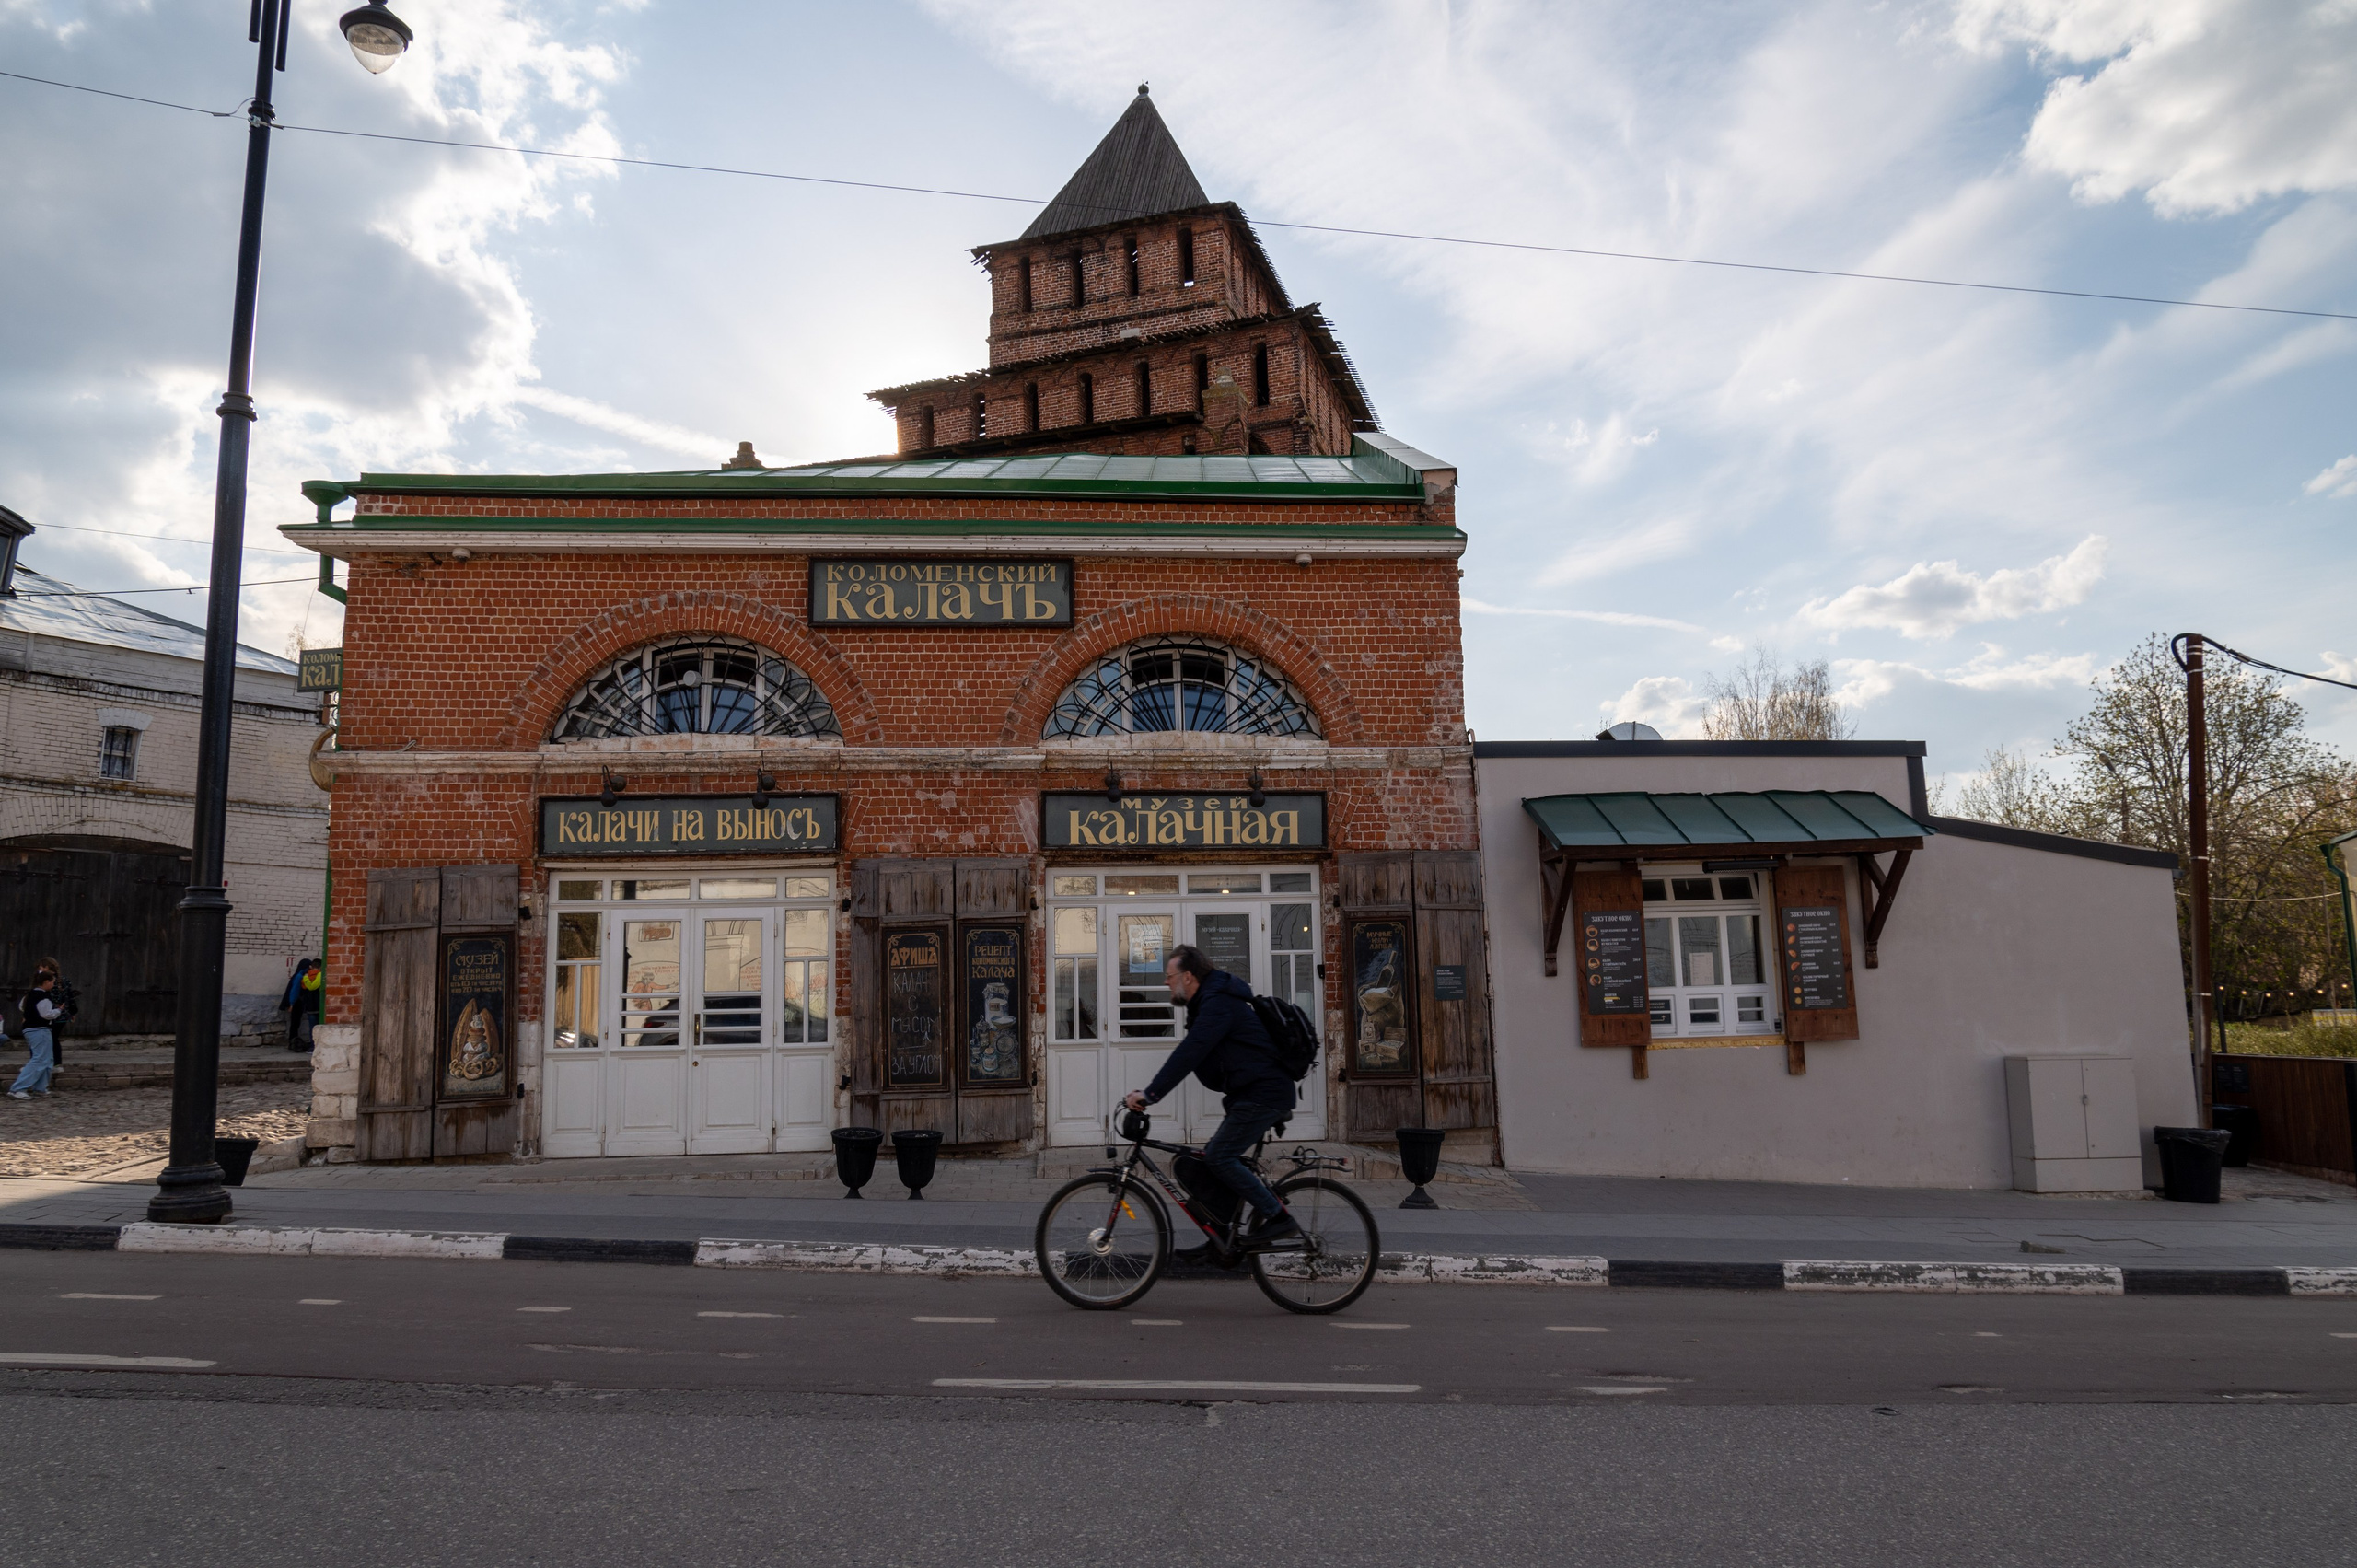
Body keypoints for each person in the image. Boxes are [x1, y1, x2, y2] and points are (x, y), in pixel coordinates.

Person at [1122, 944, 1303, 1251]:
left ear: (1188, 977)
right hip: (1251, 1095)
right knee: (1209, 1165)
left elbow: (1190, 1052)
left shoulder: (1218, 1003)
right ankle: (1219, 1239)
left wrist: (1150, 1094)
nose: (1166, 982)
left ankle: (1279, 1217)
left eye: (1169, 976)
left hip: (1265, 1094)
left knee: (1220, 1157)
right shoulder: (1209, 1002)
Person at [7, 959, 65, 1100]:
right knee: (39, 1059)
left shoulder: (31, 994)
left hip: (36, 1029)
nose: (53, 984)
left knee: (47, 1059)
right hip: (38, 1029)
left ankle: (40, 1088)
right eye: (52, 982)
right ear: (46, 982)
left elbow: (22, 1007)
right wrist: (58, 1011)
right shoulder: (42, 996)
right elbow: (46, 1014)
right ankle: (18, 1088)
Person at [282, 958, 323, 1052]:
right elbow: (297, 990)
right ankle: (296, 1042)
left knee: (310, 1026)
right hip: (307, 1004)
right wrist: (292, 1003)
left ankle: (309, 1045)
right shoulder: (315, 976)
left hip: (308, 1005)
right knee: (299, 1023)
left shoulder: (303, 976)